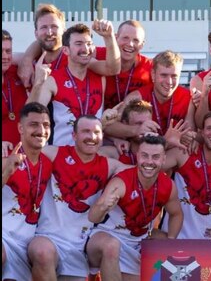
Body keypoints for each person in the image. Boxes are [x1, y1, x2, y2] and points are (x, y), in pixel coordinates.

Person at [26, 115, 129, 280]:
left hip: (81, 248)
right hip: (47, 238)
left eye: (97, 132)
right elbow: (25, 149)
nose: (92, 137)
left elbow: (144, 172)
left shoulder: (109, 165)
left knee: (111, 246)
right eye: (86, 131)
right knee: (41, 252)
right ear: (74, 135)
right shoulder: (54, 153)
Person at [86, 134, 183, 280]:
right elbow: (92, 217)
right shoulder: (121, 181)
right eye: (145, 156)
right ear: (138, 156)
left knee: (170, 244)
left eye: (155, 157)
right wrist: (103, 206)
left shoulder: (168, 185)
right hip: (104, 237)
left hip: (136, 241)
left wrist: (171, 239)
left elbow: (176, 214)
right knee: (112, 246)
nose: (149, 162)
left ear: (164, 159)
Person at [28, 23, 113, 146]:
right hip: (63, 155)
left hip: (92, 152)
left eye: (89, 44)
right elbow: (30, 115)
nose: (85, 49)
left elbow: (114, 67)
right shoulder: (53, 80)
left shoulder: (100, 78)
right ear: (65, 50)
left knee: (112, 153)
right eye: (78, 44)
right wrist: (38, 83)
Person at [158, 111, 211, 239]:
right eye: (209, 128)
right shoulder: (183, 153)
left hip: (204, 248)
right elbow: (149, 167)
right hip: (174, 240)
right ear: (202, 133)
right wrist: (166, 142)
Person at [2, 103, 53, 281]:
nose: (41, 130)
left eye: (46, 125)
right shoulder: (6, 155)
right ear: (20, 128)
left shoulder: (49, 163)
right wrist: (6, 171)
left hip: (28, 244)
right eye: (34, 124)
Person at [18, 3, 120, 88]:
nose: (49, 32)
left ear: (64, 30)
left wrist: (109, 37)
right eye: (44, 27)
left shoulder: (75, 56)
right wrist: (26, 59)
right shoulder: (31, 60)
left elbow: (112, 69)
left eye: (54, 26)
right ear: (36, 33)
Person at [105, 50, 195, 142]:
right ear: (153, 74)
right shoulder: (137, 97)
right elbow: (109, 126)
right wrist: (136, 130)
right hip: (142, 151)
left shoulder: (188, 98)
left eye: (174, 76)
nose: (169, 82)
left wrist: (188, 136)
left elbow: (191, 132)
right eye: (164, 75)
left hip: (172, 151)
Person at [95, 19, 153, 110]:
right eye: (125, 38)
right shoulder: (98, 54)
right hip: (99, 120)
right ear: (116, 37)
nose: (130, 44)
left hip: (132, 121)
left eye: (136, 40)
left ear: (142, 44)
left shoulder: (150, 67)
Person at [2, 30, 29, 155]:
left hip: (23, 156)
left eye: (8, 51)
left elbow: (37, 52)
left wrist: (27, 60)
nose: (5, 56)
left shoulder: (17, 71)